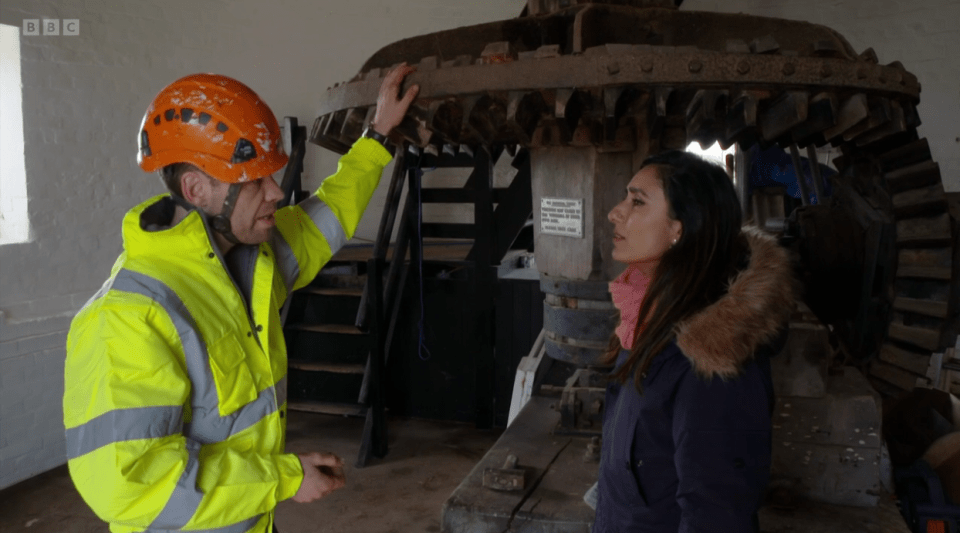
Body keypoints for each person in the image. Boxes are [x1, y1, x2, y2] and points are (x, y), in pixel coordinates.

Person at [62, 65, 418, 533]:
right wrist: (283, 478)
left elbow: (327, 217)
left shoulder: (254, 254)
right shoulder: (128, 317)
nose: (276, 191)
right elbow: (131, 484)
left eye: (272, 175)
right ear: (196, 189)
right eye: (254, 180)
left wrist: (378, 136)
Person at [593, 150, 797, 532]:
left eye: (637, 201)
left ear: (678, 229)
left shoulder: (709, 363)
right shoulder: (646, 316)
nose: (615, 213)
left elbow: (717, 516)